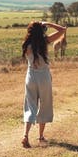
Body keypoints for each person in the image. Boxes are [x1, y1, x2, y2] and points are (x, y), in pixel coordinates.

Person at [21, 20, 67, 148]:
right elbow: (62, 30)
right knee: (45, 105)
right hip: (43, 76)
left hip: (30, 76)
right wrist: (49, 24)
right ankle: (41, 136)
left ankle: (25, 135)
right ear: (42, 30)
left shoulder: (26, 44)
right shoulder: (45, 42)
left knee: (30, 106)